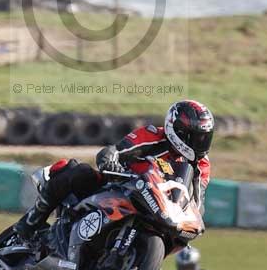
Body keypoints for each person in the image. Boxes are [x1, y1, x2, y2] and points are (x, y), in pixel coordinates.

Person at [13, 99, 213, 242]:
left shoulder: (201, 166)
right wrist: (110, 161)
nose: (200, 143)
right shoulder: (153, 136)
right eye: (195, 137)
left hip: (159, 211)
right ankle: (31, 222)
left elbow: (197, 202)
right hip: (121, 186)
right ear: (177, 130)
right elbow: (115, 151)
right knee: (76, 171)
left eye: (205, 137)